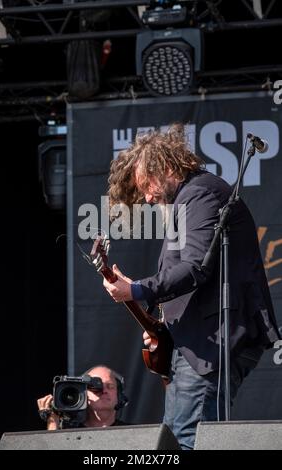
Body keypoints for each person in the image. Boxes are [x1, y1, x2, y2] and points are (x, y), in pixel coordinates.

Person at [102, 124, 281, 450]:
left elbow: (196, 267)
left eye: (148, 185)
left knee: (186, 442)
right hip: (198, 344)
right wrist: (165, 329)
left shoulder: (200, 194)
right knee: (174, 442)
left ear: (167, 168)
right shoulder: (192, 199)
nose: (146, 196)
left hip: (211, 343)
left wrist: (137, 289)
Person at [37, 364, 128, 430]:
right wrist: (53, 421)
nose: (104, 391)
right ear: (84, 394)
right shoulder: (70, 435)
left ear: (119, 395)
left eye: (110, 386)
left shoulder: (133, 432)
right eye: (95, 387)